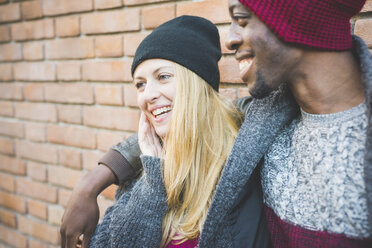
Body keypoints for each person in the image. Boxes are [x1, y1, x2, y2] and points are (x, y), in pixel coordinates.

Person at [62, 0, 372, 247]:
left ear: (293, 17)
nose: (230, 39)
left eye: (241, 18)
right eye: (139, 84)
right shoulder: (264, 119)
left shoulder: (249, 133)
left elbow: (210, 121)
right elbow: (189, 126)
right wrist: (93, 182)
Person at [68, 15, 294, 248]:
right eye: (140, 84)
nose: (147, 95)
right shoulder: (146, 169)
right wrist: (153, 184)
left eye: (163, 77)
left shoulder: (246, 155)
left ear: (197, 83)